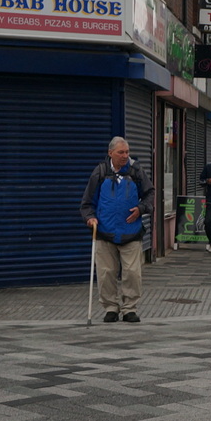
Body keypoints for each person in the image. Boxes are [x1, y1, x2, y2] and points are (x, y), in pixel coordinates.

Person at [79, 136, 153, 323]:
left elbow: (150, 194)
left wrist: (141, 209)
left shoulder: (136, 171)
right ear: (110, 153)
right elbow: (87, 203)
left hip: (131, 231)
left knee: (133, 273)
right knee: (106, 273)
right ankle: (111, 307)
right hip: (105, 232)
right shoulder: (100, 172)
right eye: (121, 152)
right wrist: (90, 218)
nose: (125, 156)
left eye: (127, 152)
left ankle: (130, 308)